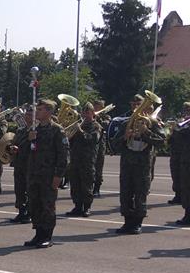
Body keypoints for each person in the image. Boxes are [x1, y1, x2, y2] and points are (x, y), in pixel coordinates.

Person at [111, 93, 166, 234]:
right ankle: (127, 222)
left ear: (147, 107)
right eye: (134, 105)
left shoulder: (153, 123)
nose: (136, 107)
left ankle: (137, 223)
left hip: (142, 165)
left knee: (140, 194)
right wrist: (125, 137)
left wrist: (146, 132)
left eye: (139, 104)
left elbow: (161, 142)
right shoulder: (125, 123)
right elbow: (114, 145)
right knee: (125, 193)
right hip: (127, 165)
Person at [23, 98, 68, 247]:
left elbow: (63, 155)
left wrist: (58, 176)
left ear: (49, 112)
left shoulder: (57, 130)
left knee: (47, 205)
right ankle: (38, 233)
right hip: (34, 173)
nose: (37, 112)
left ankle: (47, 235)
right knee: (35, 204)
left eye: (41, 109)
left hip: (48, 175)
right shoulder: (35, 129)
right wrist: (30, 140)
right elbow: (29, 151)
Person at [66, 103, 102, 217]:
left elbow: (92, 140)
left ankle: (87, 207)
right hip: (75, 159)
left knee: (86, 185)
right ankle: (77, 206)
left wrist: (80, 131)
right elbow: (69, 141)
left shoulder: (96, 126)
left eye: (88, 112)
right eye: (84, 112)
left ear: (92, 113)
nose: (85, 115)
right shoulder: (77, 125)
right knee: (75, 184)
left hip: (87, 160)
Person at [8, 107, 33, 223]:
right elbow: (14, 143)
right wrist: (12, 148)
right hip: (19, 163)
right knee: (19, 189)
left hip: (30, 164)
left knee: (30, 189)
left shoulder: (37, 130)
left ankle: (29, 212)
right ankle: (21, 211)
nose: (28, 117)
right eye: (27, 115)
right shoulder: (21, 130)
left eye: (31, 115)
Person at [169, 101, 190, 206]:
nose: (186, 111)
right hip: (175, 153)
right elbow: (171, 138)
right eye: (185, 109)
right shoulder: (181, 122)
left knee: (184, 178)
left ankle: (184, 198)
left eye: (188, 109)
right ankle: (178, 195)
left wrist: (179, 127)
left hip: (184, 153)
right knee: (175, 175)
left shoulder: (187, 124)